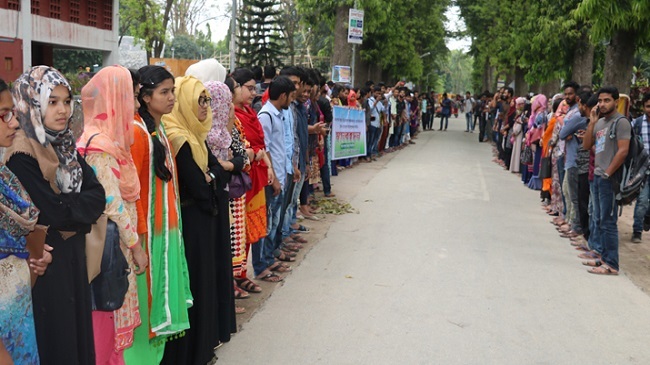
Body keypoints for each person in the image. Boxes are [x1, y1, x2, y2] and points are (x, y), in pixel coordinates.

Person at [4, 66, 106, 364]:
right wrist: (76, 206)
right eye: (52, 101)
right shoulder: (22, 154)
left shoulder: (64, 146)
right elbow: (52, 213)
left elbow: (98, 195)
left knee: (75, 338)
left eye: (66, 100)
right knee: (58, 342)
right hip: (46, 266)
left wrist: (69, 205)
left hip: (71, 258)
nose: (62, 109)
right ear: (32, 103)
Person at [160, 75, 237, 364]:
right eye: (199, 100)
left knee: (208, 280)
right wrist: (212, 178)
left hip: (206, 218)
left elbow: (219, 173)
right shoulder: (177, 137)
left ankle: (205, 346)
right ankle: (195, 352)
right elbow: (200, 186)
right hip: (191, 221)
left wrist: (212, 176)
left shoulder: (196, 136)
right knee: (196, 283)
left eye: (207, 100)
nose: (206, 107)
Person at [77, 65, 148, 365]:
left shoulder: (112, 141)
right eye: (128, 96)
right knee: (107, 327)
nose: (132, 104)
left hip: (119, 242)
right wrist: (136, 246)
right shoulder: (100, 145)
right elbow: (113, 204)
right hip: (114, 246)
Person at [124, 65, 192, 365]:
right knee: (146, 306)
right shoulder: (138, 133)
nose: (171, 98)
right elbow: (133, 193)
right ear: (145, 96)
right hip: (147, 235)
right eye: (164, 92)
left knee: (157, 308)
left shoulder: (158, 129)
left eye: (172, 91)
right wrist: (139, 240)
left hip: (165, 231)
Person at [0, 78, 52, 365]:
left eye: (13, 114)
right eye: (4, 115)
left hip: (17, 318)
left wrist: (33, 256)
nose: (14, 124)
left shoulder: (4, 176)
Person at [231, 68, 275, 282]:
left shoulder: (249, 112)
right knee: (240, 228)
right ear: (235, 87)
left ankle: (243, 273)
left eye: (254, 88)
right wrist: (257, 155)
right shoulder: (231, 114)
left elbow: (261, 143)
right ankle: (238, 274)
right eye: (248, 88)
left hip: (257, 173)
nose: (252, 93)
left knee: (250, 229)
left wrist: (266, 164)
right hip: (244, 175)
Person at [582, 86, 630, 275]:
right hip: (599, 176)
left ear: (616, 102)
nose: (602, 104)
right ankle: (601, 257)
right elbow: (586, 145)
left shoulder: (621, 122)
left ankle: (611, 264)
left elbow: (623, 151)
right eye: (600, 101)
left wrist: (609, 173)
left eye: (607, 100)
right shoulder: (600, 123)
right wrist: (592, 123)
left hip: (610, 178)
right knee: (600, 219)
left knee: (608, 221)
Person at [255, 76, 297, 282]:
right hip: (273, 178)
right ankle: (261, 263)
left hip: (281, 174)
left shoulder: (279, 114)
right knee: (268, 223)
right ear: (283, 96)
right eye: (291, 96)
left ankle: (269, 257)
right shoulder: (266, 116)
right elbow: (267, 149)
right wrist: (275, 179)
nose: (292, 100)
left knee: (274, 221)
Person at [631, 94, 650, 243]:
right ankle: (637, 230)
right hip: (642, 168)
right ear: (643, 107)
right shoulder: (636, 123)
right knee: (642, 199)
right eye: (648, 106)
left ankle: (646, 217)